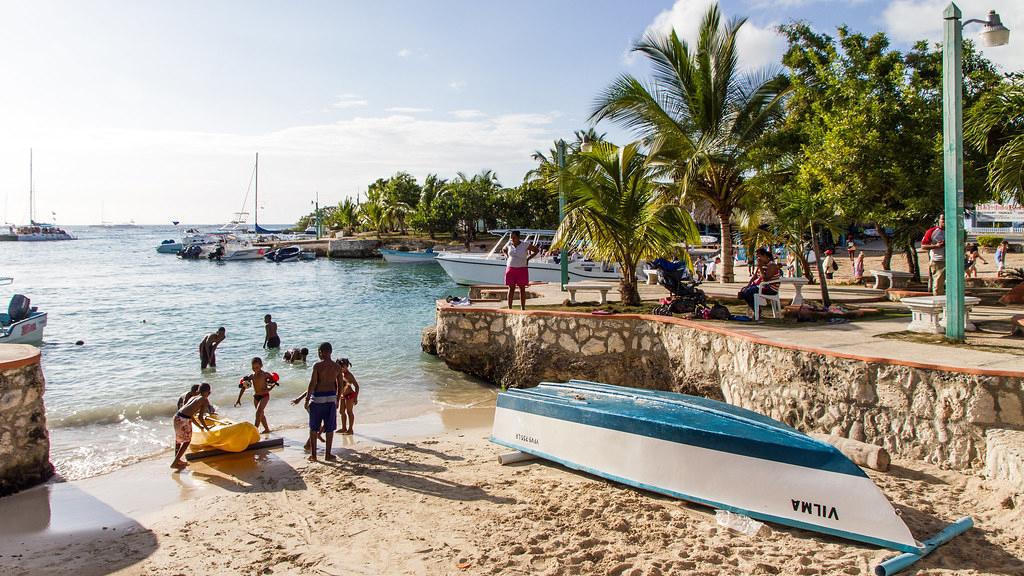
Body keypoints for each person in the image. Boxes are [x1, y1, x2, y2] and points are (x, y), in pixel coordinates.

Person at [302, 342, 343, 462]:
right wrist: (338, 399)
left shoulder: (317, 366)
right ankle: (328, 454)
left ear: (320, 352)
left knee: (313, 428)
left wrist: (306, 399)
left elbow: (313, 383)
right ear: (330, 352)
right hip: (331, 398)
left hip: (318, 399)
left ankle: (314, 455)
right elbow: (340, 385)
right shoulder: (337, 367)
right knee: (330, 429)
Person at [172, 383, 213, 470]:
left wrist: (200, 426)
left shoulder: (194, 397)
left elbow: (191, 416)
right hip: (184, 420)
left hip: (177, 417)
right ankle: (175, 463)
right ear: (207, 392)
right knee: (187, 441)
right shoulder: (204, 400)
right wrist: (206, 428)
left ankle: (177, 460)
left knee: (178, 440)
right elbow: (200, 417)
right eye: (209, 392)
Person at [235, 357, 278, 434]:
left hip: (265, 396)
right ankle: (267, 429)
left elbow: (274, 382)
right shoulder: (252, 376)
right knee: (261, 415)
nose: (255, 369)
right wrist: (238, 399)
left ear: (261, 365)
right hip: (256, 397)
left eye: (257, 367)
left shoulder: (265, 375)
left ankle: (254, 432)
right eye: (253, 368)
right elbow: (244, 387)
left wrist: (269, 389)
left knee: (258, 413)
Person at [503, 230, 539, 310]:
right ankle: (509, 308)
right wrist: (506, 256)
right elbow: (503, 249)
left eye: (514, 237)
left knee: (522, 288)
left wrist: (528, 259)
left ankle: (523, 308)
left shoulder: (524, 245)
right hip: (510, 268)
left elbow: (536, 250)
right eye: (511, 237)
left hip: (522, 269)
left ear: (518, 237)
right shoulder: (509, 244)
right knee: (511, 288)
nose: (512, 239)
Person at [738, 248, 781, 313]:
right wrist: (748, 285)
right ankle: (756, 310)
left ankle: (757, 311)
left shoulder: (772, 265)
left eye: (759, 256)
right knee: (744, 291)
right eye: (757, 257)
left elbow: (765, 279)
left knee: (748, 292)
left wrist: (760, 267)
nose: (758, 258)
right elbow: (755, 276)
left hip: (770, 289)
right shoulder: (761, 264)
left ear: (765, 256)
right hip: (762, 286)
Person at [921, 215, 946, 295]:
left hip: (952, 260)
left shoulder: (954, 231)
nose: (945, 221)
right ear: (939, 220)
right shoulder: (932, 231)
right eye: (943, 219)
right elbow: (923, 246)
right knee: (938, 284)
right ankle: (938, 303)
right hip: (938, 261)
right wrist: (936, 246)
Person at [336, 358, 359, 435]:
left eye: (343, 367)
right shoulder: (340, 374)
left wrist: (356, 398)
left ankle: (350, 429)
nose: (341, 368)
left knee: (349, 412)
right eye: (339, 367)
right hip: (343, 396)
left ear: (347, 366)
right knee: (341, 411)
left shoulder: (349, 375)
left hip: (350, 396)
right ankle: (344, 428)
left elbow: (357, 386)